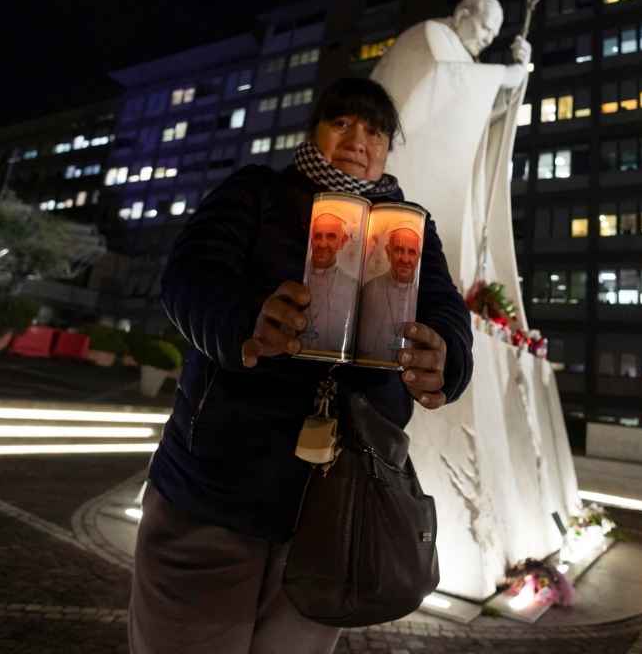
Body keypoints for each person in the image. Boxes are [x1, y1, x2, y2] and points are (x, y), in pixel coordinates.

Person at [129, 77, 474, 654]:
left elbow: (443, 305)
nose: (358, 139)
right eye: (342, 123)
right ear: (315, 130)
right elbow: (190, 279)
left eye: (375, 130)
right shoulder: (257, 192)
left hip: (339, 501)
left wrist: (448, 356)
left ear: (388, 148)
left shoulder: (411, 227)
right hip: (219, 482)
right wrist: (248, 323)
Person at [372, 0, 533, 331]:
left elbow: (478, 111)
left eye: (493, 35)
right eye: (485, 28)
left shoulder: (465, 57)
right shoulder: (430, 34)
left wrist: (518, 79)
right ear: (463, 13)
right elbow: (443, 83)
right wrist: (505, 74)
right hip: (411, 166)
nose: (488, 39)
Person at [356, 226, 422, 363]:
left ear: (418, 257)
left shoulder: (422, 296)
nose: (405, 259)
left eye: (411, 252)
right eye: (399, 250)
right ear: (388, 252)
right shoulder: (370, 289)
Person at [301, 212, 359, 355]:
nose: (322, 244)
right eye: (317, 236)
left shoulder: (352, 286)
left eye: (331, 236)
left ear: (343, 241)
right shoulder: (295, 275)